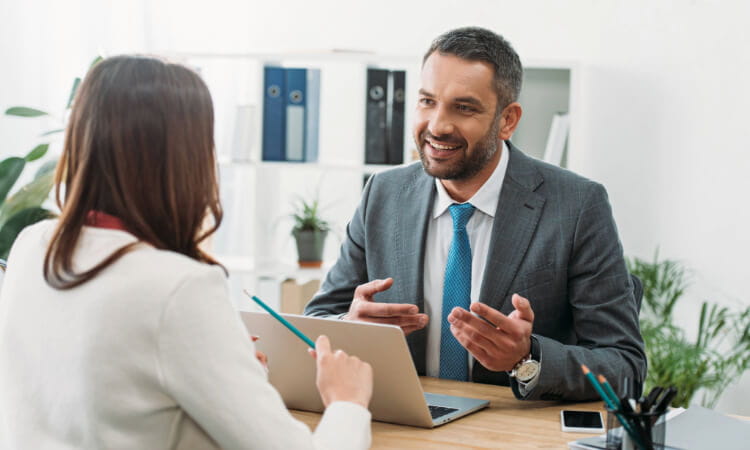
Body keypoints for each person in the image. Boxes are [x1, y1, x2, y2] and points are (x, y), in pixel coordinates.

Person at [0, 55, 373, 449]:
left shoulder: (32, 246)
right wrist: (347, 401)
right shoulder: (179, 288)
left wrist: (229, 372)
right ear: (187, 158)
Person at [305, 27, 646, 402]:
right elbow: (318, 319)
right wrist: (350, 326)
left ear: (508, 120)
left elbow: (624, 365)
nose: (437, 126)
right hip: (407, 424)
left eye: (463, 107)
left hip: (513, 434)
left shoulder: (578, 205)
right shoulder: (382, 194)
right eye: (427, 101)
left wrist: (526, 357)